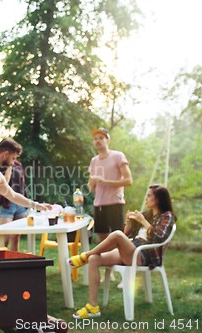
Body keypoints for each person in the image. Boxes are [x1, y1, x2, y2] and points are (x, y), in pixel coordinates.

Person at [67, 184, 177, 319]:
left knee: (116, 234)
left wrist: (143, 221)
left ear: (158, 199)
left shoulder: (167, 216)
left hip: (144, 255)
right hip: (133, 248)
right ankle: (92, 307)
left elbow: (159, 237)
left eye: (149, 196)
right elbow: (126, 236)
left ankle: (84, 256)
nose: (145, 199)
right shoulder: (147, 214)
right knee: (94, 259)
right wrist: (129, 224)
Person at [88, 127, 132, 283]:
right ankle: (109, 274)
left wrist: (106, 181)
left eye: (101, 137)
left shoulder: (117, 156)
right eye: (95, 138)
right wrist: (92, 183)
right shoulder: (94, 161)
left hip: (115, 203)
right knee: (103, 241)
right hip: (99, 204)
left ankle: (124, 277)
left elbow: (129, 180)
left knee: (120, 241)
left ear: (108, 140)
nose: (98, 140)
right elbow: (90, 187)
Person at [0, 159, 27, 251]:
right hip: (7, 203)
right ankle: (1, 264)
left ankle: (14, 263)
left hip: (20, 202)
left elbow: (22, 183)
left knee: (15, 237)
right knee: (4, 239)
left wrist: (25, 200)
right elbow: (4, 183)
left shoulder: (18, 164)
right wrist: (9, 166)